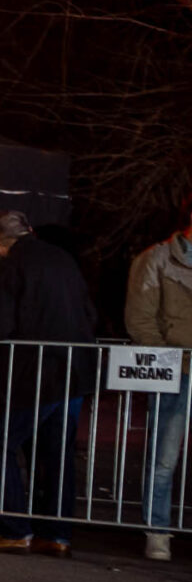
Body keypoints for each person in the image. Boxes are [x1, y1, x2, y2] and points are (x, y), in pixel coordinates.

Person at [0, 209, 96, 556]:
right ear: (28, 229)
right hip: (73, 372)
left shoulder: (6, 266)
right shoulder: (63, 260)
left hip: (28, 375)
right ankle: (56, 534)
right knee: (56, 454)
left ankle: (14, 529)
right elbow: (89, 312)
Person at [123, 196, 192, 561]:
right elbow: (140, 319)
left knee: (164, 455)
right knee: (164, 456)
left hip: (177, 365)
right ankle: (158, 530)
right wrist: (168, 361)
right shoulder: (156, 259)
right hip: (176, 370)